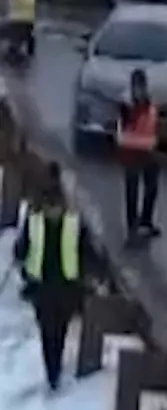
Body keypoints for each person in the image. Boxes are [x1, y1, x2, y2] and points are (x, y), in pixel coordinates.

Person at [14, 164, 88, 389]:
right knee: (51, 330)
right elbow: (23, 248)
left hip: (60, 285)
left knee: (56, 330)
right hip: (50, 285)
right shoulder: (45, 221)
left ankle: (53, 368)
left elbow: (84, 251)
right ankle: (53, 371)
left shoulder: (67, 222)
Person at [116, 67, 160, 244]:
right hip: (130, 151)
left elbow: (153, 125)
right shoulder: (127, 105)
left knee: (152, 188)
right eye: (137, 86)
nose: (140, 90)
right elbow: (125, 125)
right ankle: (132, 226)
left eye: (142, 86)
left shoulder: (150, 105)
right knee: (132, 189)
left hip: (148, 151)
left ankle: (146, 221)